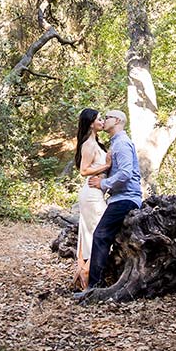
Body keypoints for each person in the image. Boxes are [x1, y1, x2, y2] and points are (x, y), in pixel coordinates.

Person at [86, 109, 142, 289]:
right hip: (119, 198)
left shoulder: (122, 144)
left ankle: (94, 287)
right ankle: (98, 282)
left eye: (107, 117)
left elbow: (125, 173)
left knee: (100, 236)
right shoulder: (115, 143)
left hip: (126, 199)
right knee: (103, 236)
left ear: (117, 120)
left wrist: (103, 184)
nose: (104, 120)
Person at [72, 108, 110, 290]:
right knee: (98, 233)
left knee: (88, 233)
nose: (102, 121)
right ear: (91, 123)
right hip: (91, 195)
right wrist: (107, 165)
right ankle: (86, 273)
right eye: (99, 119)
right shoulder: (88, 144)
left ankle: (81, 273)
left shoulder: (97, 143)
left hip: (96, 193)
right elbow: (83, 170)